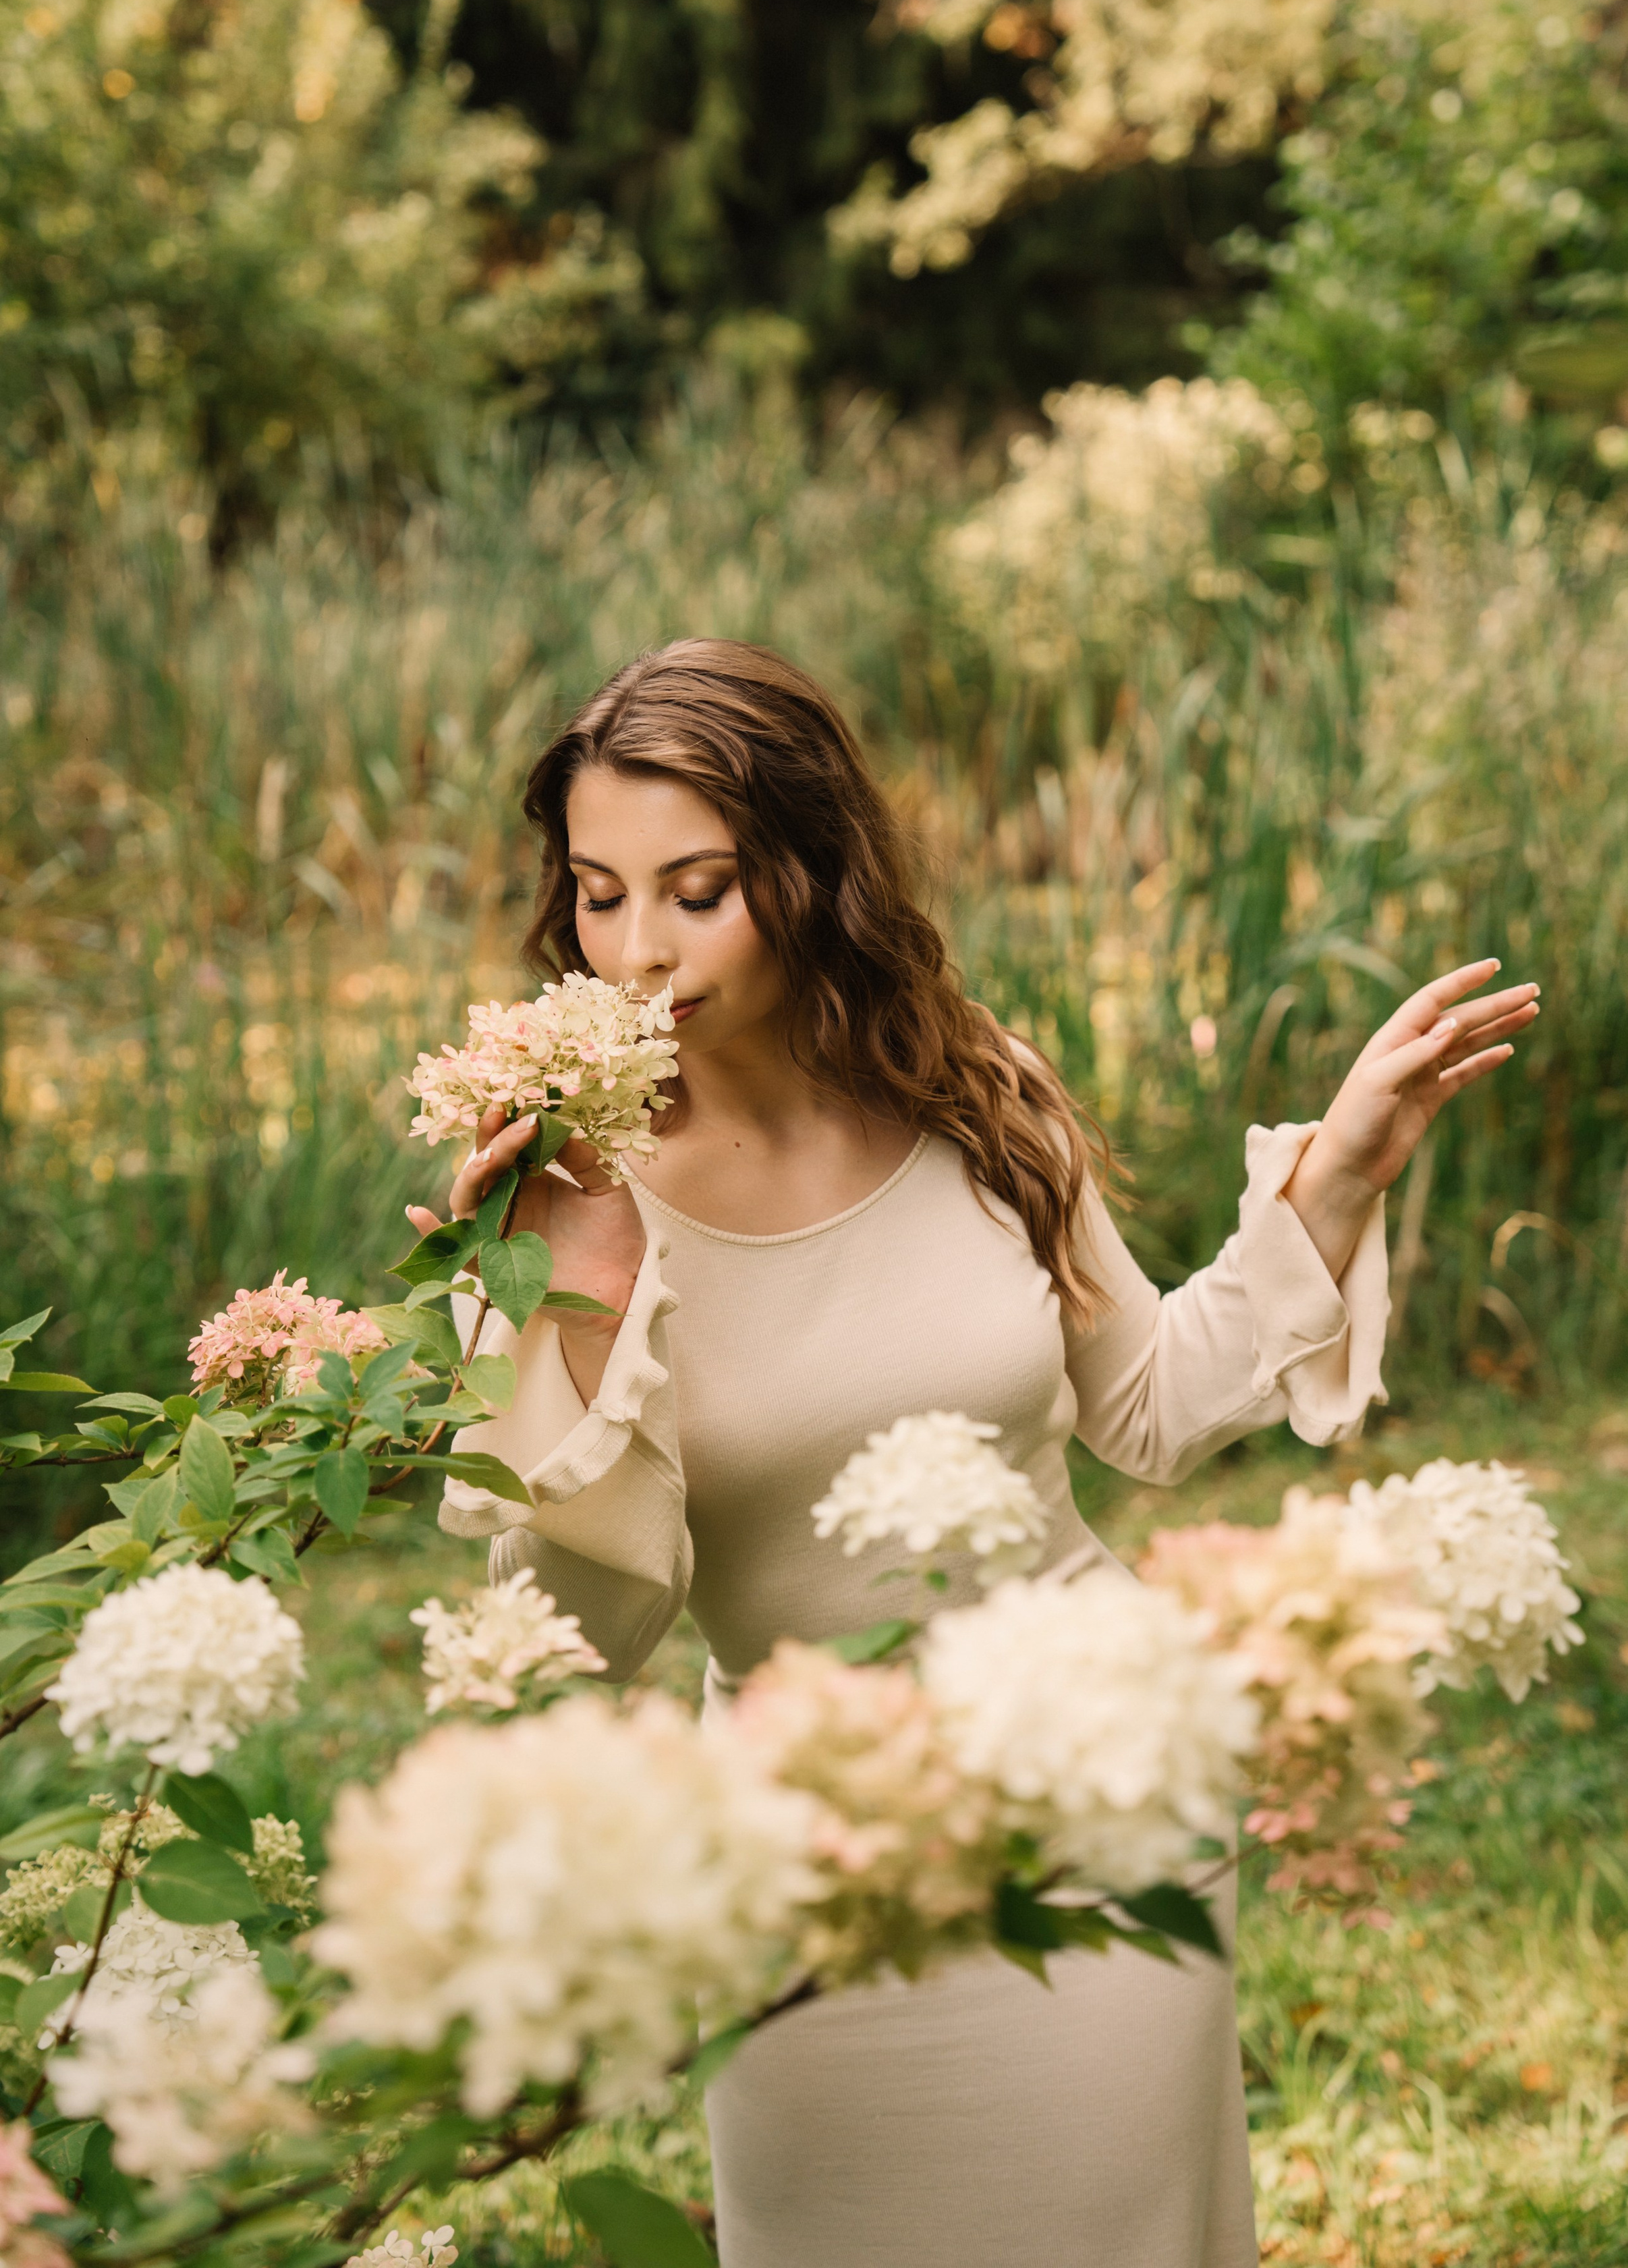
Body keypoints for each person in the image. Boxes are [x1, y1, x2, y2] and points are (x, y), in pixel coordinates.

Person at [410, 638, 1538, 2268]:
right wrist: (570, 1308)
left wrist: (1339, 1171)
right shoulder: (557, 1198)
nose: (635, 949)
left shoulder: (968, 1091)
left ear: (810, 872)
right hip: (805, 1871)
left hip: (1097, 1805)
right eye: (596, 893)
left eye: (696, 888)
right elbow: (572, 1649)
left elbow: (1146, 1406)